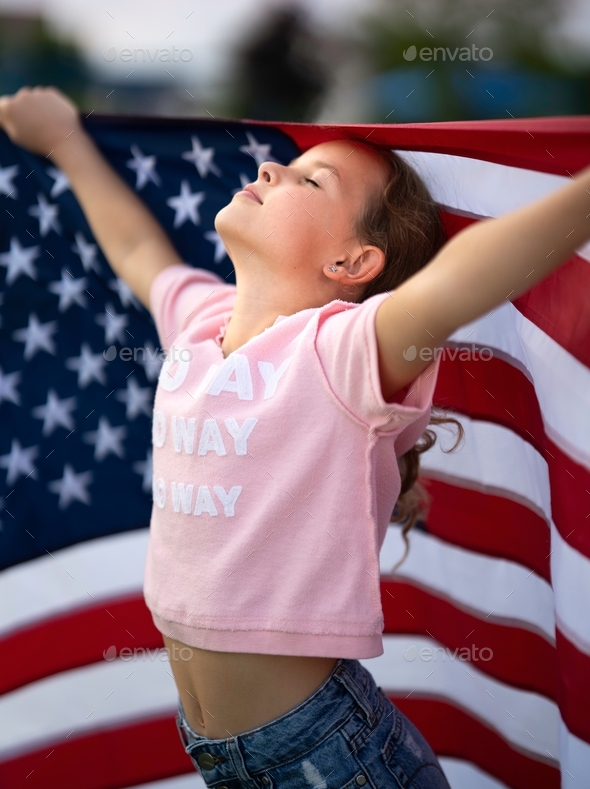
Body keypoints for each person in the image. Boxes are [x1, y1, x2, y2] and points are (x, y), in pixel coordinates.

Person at [1, 86, 589, 789]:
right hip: (226, 756)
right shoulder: (197, 318)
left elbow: (467, 278)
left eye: (311, 179)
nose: (271, 170)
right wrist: (66, 141)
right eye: (290, 165)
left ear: (352, 263)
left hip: (331, 755)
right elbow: (132, 244)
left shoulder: (341, 350)